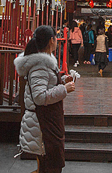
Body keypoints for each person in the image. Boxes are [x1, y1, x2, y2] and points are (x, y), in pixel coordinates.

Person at [15, 25, 75, 173]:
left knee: (49, 164)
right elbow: (40, 97)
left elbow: (45, 83)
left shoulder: (45, 62)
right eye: (56, 38)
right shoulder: (40, 65)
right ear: (51, 41)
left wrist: (62, 80)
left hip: (48, 121)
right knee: (51, 166)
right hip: (44, 123)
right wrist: (64, 89)